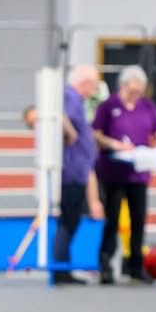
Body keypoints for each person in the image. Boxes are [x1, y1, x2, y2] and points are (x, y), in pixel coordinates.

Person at [92, 65, 156, 284]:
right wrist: (114, 144)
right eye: (132, 91)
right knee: (112, 220)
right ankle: (105, 265)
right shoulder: (108, 106)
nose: (135, 95)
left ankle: (135, 266)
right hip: (113, 172)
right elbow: (96, 134)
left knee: (138, 220)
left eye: (138, 92)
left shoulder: (147, 106)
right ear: (123, 86)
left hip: (138, 172)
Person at [52, 65, 105, 286]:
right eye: (94, 85)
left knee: (71, 220)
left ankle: (63, 267)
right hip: (72, 172)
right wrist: (72, 133)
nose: (94, 90)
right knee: (68, 220)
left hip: (76, 171)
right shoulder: (71, 97)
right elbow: (62, 116)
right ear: (85, 83)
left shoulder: (74, 99)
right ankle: (60, 268)